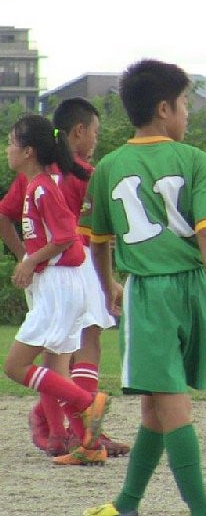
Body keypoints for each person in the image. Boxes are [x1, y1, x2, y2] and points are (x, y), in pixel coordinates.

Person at [81, 59, 206, 516]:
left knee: (170, 403)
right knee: (155, 403)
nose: (187, 113)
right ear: (164, 109)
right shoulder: (195, 159)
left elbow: (98, 239)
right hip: (193, 288)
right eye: (184, 104)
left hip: (149, 292)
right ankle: (127, 503)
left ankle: (201, 512)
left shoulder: (109, 166)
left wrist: (108, 283)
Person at [0, 98, 127, 460]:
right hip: (62, 277)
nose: (7, 149)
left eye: (11, 142)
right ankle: (85, 442)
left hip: (60, 280)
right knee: (58, 362)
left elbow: (66, 236)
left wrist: (28, 259)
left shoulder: (42, 185)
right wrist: (29, 259)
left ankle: (86, 405)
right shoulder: (39, 182)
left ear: (28, 151)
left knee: (16, 366)